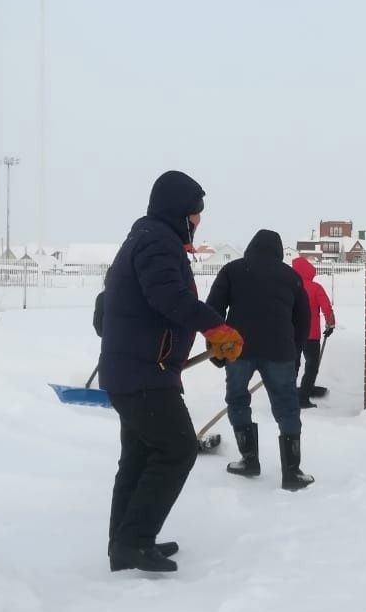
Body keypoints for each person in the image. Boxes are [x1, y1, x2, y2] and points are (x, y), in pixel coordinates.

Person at [98, 170, 244, 573]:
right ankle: (134, 541)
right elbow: (168, 296)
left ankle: (125, 543)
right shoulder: (157, 242)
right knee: (177, 449)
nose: (198, 220)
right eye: (196, 212)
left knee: (140, 456)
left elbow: (111, 302)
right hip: (143, 374)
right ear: (180, 210)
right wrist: (215, 326)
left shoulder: (144, 239)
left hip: (136, 370)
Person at [207, 230, 315, 491]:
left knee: (237, 399)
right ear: (278, 251)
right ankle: (292, 472)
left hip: (238, 349)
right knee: (287, 406)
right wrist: (295, 351)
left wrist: (215, 349)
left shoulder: (232, 270)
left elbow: (212, 311)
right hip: (279, 351)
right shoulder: (291, 277)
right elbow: (303, 319)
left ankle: (249, 460)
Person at [291, 257, 336, 408]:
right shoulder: (316, 287)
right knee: (311, 365)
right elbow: (326, 307)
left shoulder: (289, 287)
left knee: (292, 365)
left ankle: (289, 396)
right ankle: (303, 398)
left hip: (291, 335)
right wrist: (330, 325)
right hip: (311, 335)